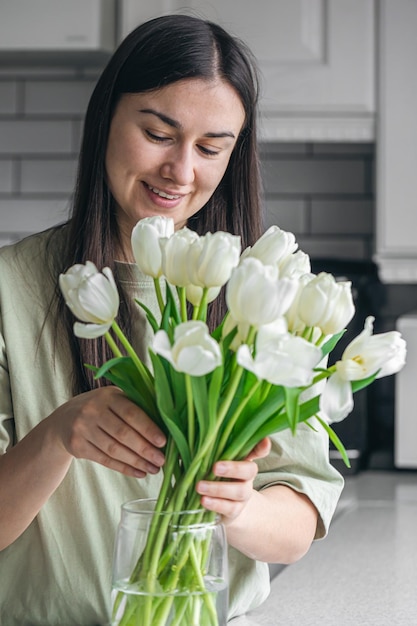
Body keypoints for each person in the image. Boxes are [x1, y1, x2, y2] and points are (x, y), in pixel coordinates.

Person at [0, 14, 344, 626]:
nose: (182, 171)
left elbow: (297, 524)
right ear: (107, 117)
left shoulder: (263, 292)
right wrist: (58, 433)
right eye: (159, 133)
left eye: (212, 148)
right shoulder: (9, 288)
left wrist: (238, 508)